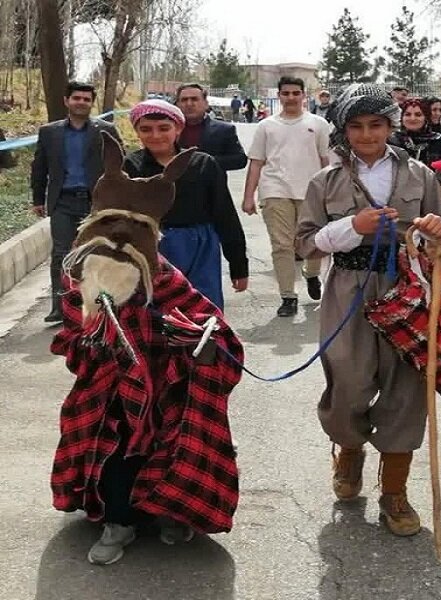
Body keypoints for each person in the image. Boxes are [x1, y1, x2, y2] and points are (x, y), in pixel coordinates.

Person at [51, 132, 242, 565]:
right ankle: (119, 521)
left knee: (174, 441)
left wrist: (199, 341)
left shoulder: (167, 280)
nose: (118, 239)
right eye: (107, 229)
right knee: (116, 450)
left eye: (134, 233)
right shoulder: (80, 284)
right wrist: (90, 337)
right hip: (110, 391)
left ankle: (171, 512)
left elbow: (216, 330)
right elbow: (71, 339)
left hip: (165, 387)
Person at [296, 83, 441, 537]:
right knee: (347, 376)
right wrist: (352, 225)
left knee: (405, 383)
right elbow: (304, 241)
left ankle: (395, 490)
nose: (367, 135)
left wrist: (437, 229)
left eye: (376, 125)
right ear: (343, 131)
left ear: (390, 126)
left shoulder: (421, 174)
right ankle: (349, 449)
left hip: (408, 285)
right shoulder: (324, 181)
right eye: (357, 126)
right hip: (348, 287)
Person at [123, 100, 248, 310]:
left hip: (200, 249)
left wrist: (239, 266)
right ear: (136, 131)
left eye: (164, 128)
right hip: (149, 251)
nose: (155, 135)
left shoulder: (203, 164)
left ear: (178, 128)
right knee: (154, 316)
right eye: (146, 129)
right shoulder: (130, 166)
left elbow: (225, 215)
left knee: (203, 312)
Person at [30, 80, 122, 323]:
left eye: (86, 99)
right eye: (76, 98)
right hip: (63, 202)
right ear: (66, 101)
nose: (81, 102)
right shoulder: (49, 132)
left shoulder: (106, 130)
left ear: (92, 103)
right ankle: (59, 307)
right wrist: (38, 198)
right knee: (61, 254)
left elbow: (119, 166)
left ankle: (101, 303)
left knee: (99, 252)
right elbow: (39, 167)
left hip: (97, 203)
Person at [242, 76, 329, 317]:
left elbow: (326, 161)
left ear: (304, 95)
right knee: (282, 245)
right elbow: (257, 162)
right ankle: (288, 296)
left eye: (295, 93)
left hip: (311, 192)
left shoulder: (319, 124)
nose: (290, 98)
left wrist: (331, 194)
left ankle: (312, 274)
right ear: (279, 96)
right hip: (275, 190)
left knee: (313, 243)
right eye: (286, 93)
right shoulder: (267, 126)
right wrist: (249, 196)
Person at [175, 83, 247, 171]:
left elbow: (240, 160)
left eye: (194, 99)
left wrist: (205, 162)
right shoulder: (166, 130)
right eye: (184, 100)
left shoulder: (224, 130)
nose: (189, 104)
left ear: (206, 104)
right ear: (177, 104)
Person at [389, 98, 441, 183]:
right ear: (402, 117)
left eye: (418, 114)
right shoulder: (392, 141)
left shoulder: (438, 141)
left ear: (426, 118)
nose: (412, 118)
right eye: (407, 114)